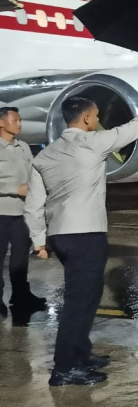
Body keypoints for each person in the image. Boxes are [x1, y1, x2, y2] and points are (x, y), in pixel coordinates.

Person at [25, 84, 138, 387]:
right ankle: (65, 369)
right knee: (79, 303)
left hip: (60, 235)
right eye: (95, 116)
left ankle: (81, 353)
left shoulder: (46, 154)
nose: (97, 120)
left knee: (88, 297)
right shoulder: (92, 143)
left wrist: (39, 240)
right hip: (86, 234)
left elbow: (33, 204)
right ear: (85, 120)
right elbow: (137, 127)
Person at [0, 106, 47, 317]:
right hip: (1, 213)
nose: (19, 124)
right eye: (15, 120)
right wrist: (13, 189)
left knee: (20, 259)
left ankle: (20, 296)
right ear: (2, 123)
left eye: (20, 120)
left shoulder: (24, 148)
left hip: (22, 214)